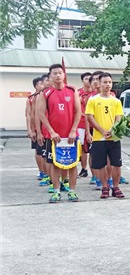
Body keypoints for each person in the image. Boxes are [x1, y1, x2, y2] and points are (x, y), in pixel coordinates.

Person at [36, 64, 82, 203]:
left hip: (70, 137)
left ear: (64, 75)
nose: (58, 76)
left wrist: (73, 130)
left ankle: (72, 191)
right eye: (54, 73)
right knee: (55, 164)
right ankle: (56, 191)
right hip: (54, 137)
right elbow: (41, 114)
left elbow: (78, 112)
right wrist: (51, 131)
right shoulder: (46, 93)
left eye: (60, 73)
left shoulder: (72, 91)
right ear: (50, 76)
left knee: (72, 164)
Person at [85, 73, 126, 199]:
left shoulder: (116, 101)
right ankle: (104, 187)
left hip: (114, 138)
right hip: (99, 138)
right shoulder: (93, 100)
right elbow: (89, 117)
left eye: (109, 82)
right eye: (105, 82)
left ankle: (116, 187)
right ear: (100, 84)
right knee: (101, 164)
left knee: (116, 164)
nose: (107, 84)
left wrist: (114, 130)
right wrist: (102, 131)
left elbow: (118, 118)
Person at [26, 76, 46, 181]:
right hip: (36, 128)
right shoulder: (31, 98)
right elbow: (29, 115)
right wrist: (30, 129)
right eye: (40, 84)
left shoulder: (48, 95)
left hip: (47, 128)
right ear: (36, 86)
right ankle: (42, 171)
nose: (42, 85)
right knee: (39, 151)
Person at [77, 72, 93, 178]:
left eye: (89, 79)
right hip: (82, 125)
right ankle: (84, 168)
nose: (88, 81)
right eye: (86, 79)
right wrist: (86, 115)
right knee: (83, 149)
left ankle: (96, 172)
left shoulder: (96, 93)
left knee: (94, 149)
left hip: (95, 125)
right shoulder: (77, 93)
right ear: (82, 81)